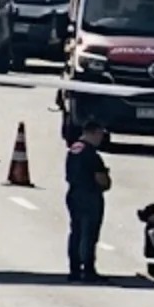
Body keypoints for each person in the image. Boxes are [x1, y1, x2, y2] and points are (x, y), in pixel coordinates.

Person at [65, 119, 112, 282]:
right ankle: (89, 270)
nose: (101, 138)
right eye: (100, 134)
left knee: (76, 232)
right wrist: (106, 182)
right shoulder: (91, 154)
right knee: (90, 234)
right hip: (90, 195)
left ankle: (74, 270)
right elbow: (101, 179)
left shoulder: (74, 149)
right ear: (92, 133)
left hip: (74, 193)